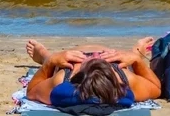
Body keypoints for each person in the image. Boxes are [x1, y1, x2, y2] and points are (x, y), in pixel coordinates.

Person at [24, 40, 161, 108]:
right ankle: (135, 53)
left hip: (69, 56)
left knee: (54, 59)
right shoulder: (127, 79)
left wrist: (50, 61)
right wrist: (136, 60)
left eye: (91, 59)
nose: (95, 55)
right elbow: (156, 88)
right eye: (99, 58)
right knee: (128, 58)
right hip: (116, 57)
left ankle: (44, 56)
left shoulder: (61, 80)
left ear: (77, 74)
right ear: (112, 71)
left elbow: (31, 91)